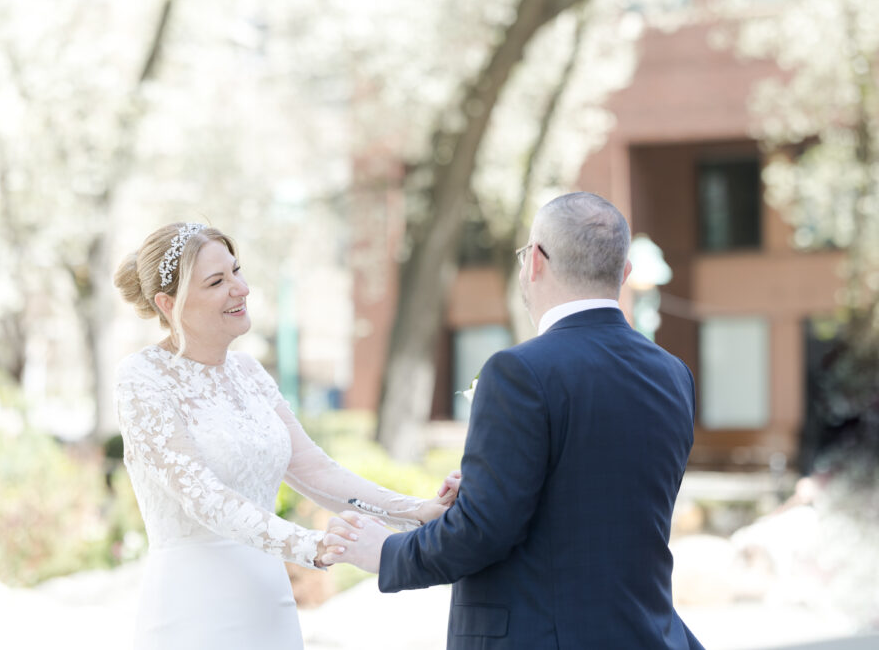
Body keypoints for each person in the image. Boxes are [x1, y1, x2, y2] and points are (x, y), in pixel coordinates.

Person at [322, 192, 705, 649]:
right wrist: (490, 482)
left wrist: (384, 552)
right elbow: (603, 499)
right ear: (624, 274)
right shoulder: (672, 373)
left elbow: (482, 533)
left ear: (535, 263)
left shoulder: (521, 370)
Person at [112, 222, 459, 650]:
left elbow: (316, 471)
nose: (241, 288)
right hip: (194, 608)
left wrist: (416, 511)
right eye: (217, 281)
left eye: (236, 271)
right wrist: (309, 544)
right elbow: (203, 497)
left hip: (269, 603)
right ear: (169, 304)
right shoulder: (142, 377)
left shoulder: (249, 373)